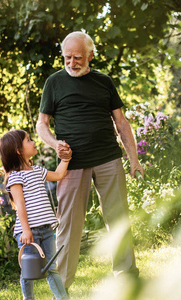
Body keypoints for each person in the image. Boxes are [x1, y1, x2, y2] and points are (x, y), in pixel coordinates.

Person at [36, 31, 144, 292]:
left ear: (90, 56)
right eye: (67, 58)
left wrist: (134, 160)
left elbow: (121, 122)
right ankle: (62, 288)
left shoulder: (104, 82)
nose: (71, 63)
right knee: (69, 226)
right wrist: (55, 144)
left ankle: (127, 278)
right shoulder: (54, 83)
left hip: (108, 157)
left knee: (118, 219)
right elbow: (41, 125)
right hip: (72, 164)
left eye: (77, 57)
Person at [0, 129, 70, 300]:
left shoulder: (38, 171)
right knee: (28, 271)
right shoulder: (15, 177)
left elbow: (59, 175)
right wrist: (26, 230)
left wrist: (65, 159)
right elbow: (20, 205)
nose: (33, 142)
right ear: (18, 150)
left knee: (52, 268)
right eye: (28, 140)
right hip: (28, 232)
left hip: (46, 230)